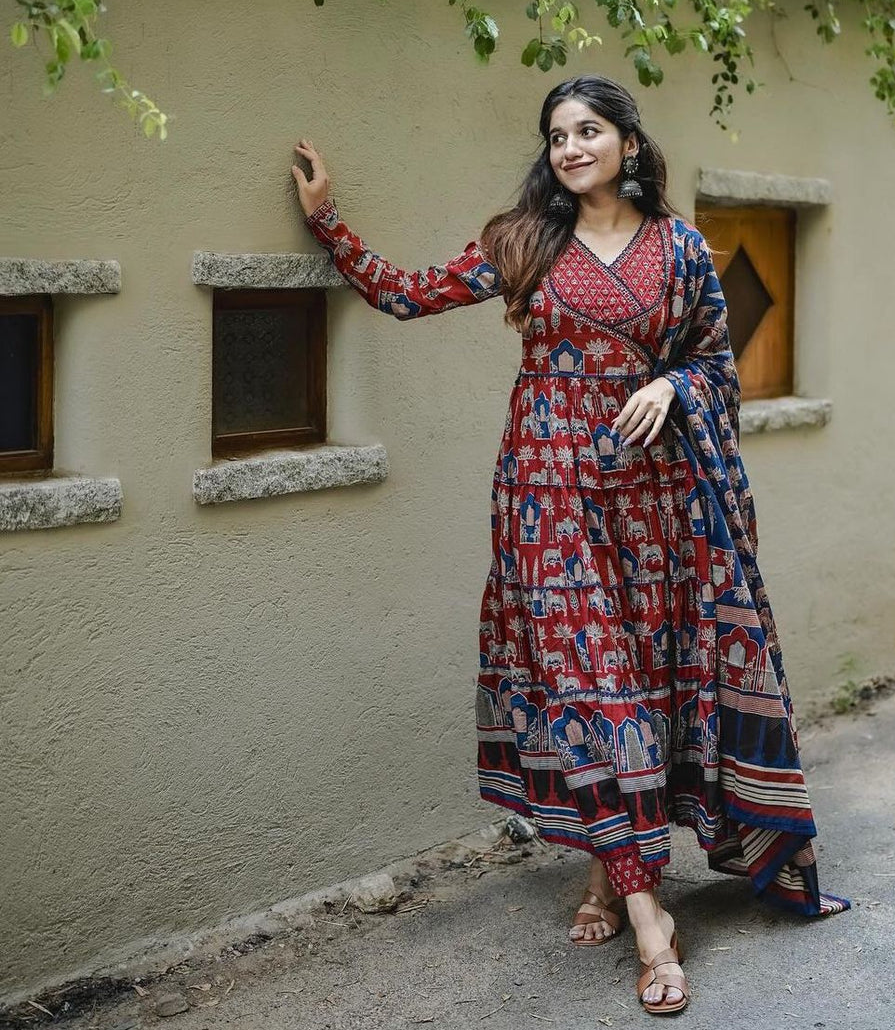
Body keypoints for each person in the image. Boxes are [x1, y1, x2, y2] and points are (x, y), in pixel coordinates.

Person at [291, 74, 851, 1015]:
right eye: (557, 134)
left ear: (629, 143)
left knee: (644, 684)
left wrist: (672, 387)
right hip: (549, 499)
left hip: (653, 504)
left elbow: (716, 359)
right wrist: (328, 221)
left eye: (589, 129)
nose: (570, 147)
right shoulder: (520, 240)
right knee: (595, 690)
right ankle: (650, 924)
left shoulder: (677, 248)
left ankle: (603, 874)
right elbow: (406, 294)